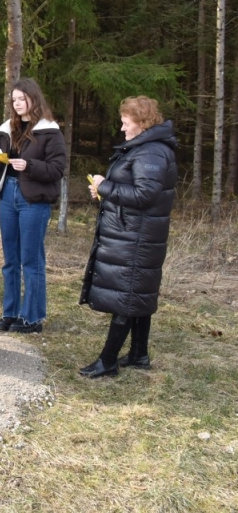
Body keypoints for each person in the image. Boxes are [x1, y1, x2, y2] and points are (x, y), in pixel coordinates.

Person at [78, 97, 178, 378]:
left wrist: (105, 187)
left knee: (127, 295)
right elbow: (135, 190)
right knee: (136, 293)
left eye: (126, 122)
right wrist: (103, 190)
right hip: (134, 233)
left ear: (142, 123)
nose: (122, 128)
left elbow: (145, 195)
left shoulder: (151, 153)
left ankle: (108, 361)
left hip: (137, 237)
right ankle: (138, 354)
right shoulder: (145, 148)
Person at [0, 78, 66, 334]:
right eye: (14, 99)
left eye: (22, 98)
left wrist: (29, 166)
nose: (18, 104)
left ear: (34, 98)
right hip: (8, 194)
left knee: (31, 260)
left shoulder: (49, 131)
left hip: (33, 199)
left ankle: (32, 317)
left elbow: (57, 169)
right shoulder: (7, 129)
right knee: (10, 259)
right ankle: (10, 312)